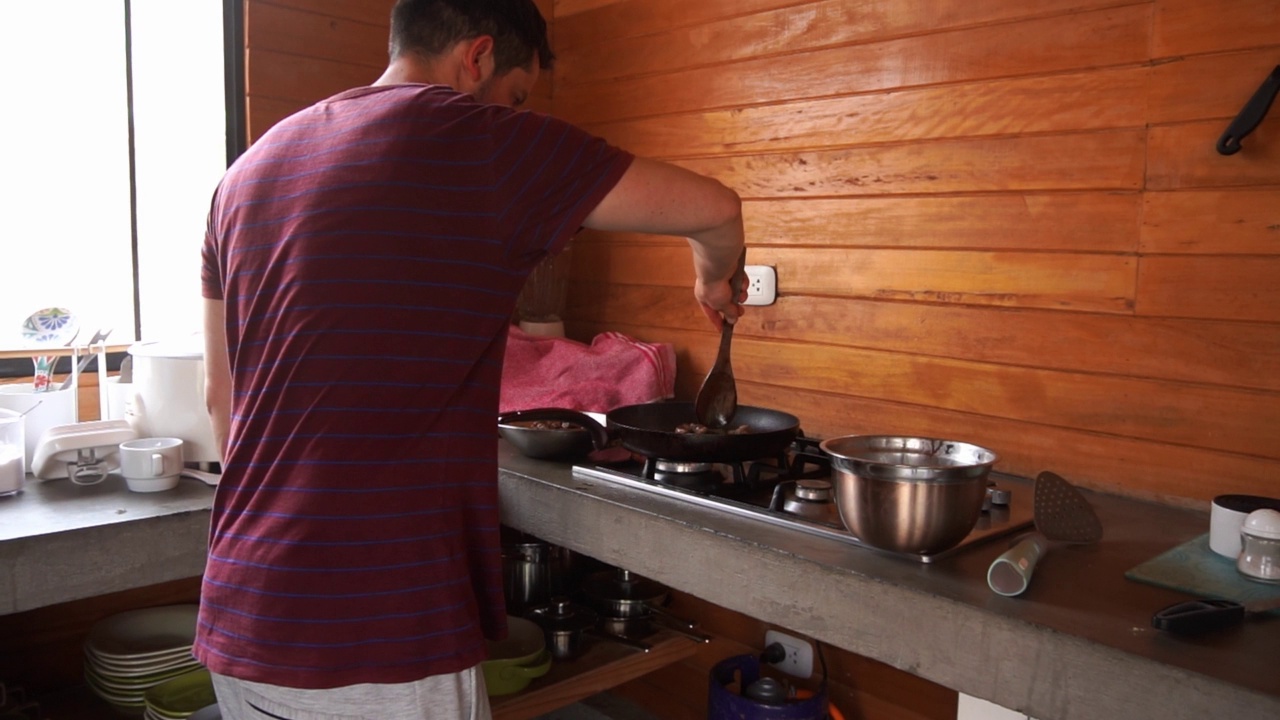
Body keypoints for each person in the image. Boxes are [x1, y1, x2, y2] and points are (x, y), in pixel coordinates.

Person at [198, 0, 745, 717]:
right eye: (517, 96)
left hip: (241, 612)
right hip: (375, 633)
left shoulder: (246, 173)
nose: (515, 114)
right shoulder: (471, 135)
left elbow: (220, 403)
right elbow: (716, 207)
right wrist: (714, 275)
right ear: (477, 57)